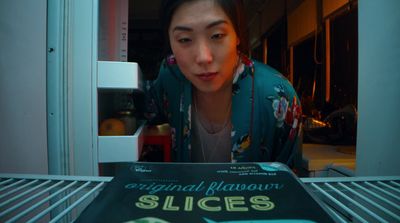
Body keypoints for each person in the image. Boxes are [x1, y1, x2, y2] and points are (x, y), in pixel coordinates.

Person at [145, 0, 302, 166]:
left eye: (217, 35)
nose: (204, 57)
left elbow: (289, 184)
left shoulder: (277, 96)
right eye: (184, 39)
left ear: (237, 35)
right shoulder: (171, 77)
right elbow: (136, 115)